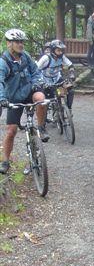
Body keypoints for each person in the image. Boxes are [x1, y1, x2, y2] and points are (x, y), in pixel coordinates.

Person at [0, 28, 48, 174]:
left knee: (41, 99)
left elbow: (36, 72)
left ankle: (40, 127)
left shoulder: (25, 56)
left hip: (29, 91)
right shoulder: (4, 62)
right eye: (17, 42)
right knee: (11, 131)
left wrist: (38, 82)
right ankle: (5, 161)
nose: (21, 44)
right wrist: (2, 99)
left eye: (22, 42)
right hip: (14, 98)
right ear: (9, 44)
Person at [37, 39, 76, 113]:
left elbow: (70, 65)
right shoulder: (46, 58)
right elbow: (35, 69)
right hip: (45, 80)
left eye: (61, 50)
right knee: (47, 99)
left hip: (57, 79)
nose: (60, 52)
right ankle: (43, 119)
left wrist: (71, 74)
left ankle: (68, 109)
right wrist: (39, 81)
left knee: (70, 90)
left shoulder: (62, 57)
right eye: (58, 50)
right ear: (53, 50)